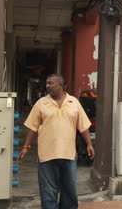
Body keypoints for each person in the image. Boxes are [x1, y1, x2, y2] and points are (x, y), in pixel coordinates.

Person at [17, 74, 94, 209]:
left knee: (69, 190)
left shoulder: (74, 102)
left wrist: (89, 144)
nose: (47, 86)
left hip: (68, 155)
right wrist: (26, 146)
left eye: (51, 83)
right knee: (48, 192)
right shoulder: (41, 103)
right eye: (47, 83)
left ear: (61, 86)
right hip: (46, 155)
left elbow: (83, 126)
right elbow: (32, 127)